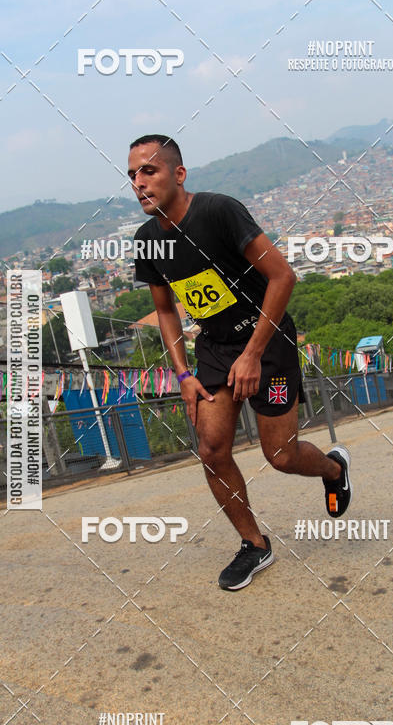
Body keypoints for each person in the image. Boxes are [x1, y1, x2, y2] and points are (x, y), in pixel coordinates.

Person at [128, 134, 352, 591]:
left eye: (148, 171)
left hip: (266, 343)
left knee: (281, 455)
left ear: (178, 174)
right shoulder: (147, 240)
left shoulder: (218, 212)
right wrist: (184, 374)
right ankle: (254, 544)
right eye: (132, 175)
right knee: (211, 448)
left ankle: (334, 469)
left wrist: (253, 353)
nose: (139, 183)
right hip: (213, 348)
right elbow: (167, 309)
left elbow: (282, 275)